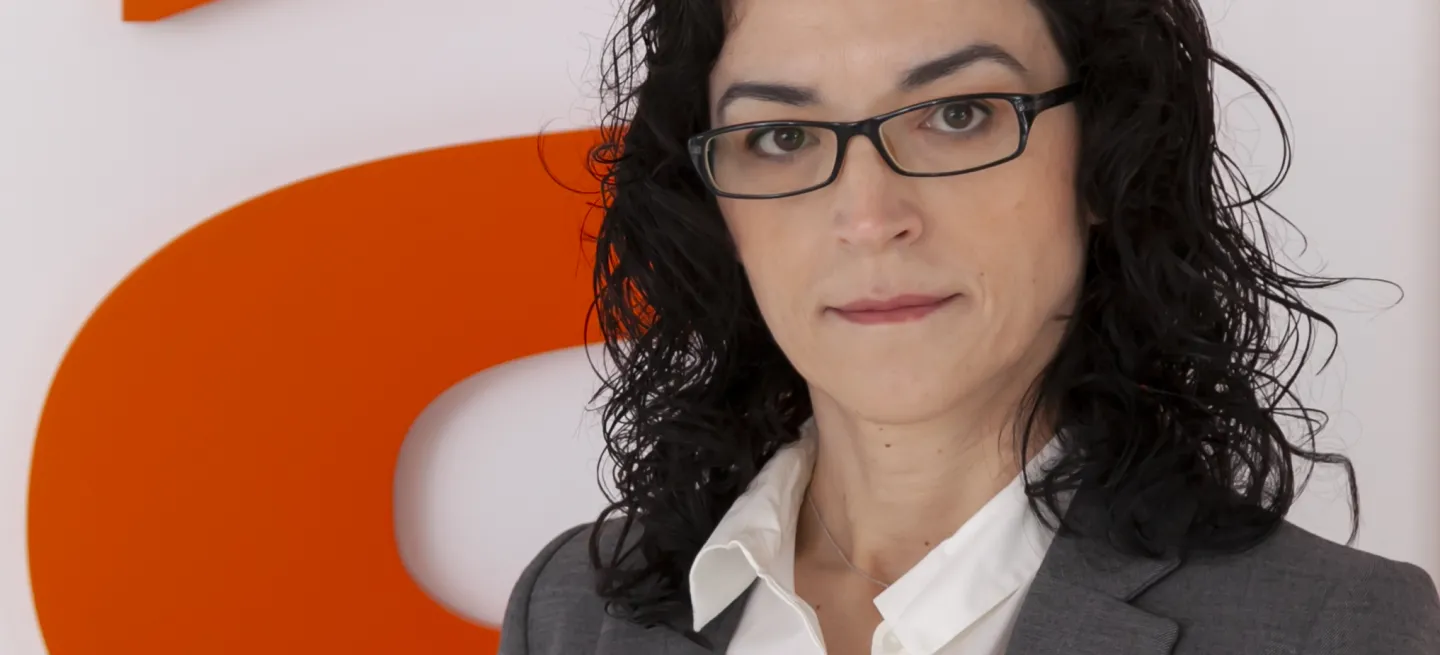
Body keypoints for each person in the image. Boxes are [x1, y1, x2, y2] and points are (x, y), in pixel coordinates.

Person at [499, 0, 1440, 652]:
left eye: (957, 115)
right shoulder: (570, 612)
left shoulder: (1336, 629)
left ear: (1106, 158)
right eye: (781, 137)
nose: (870, 218)